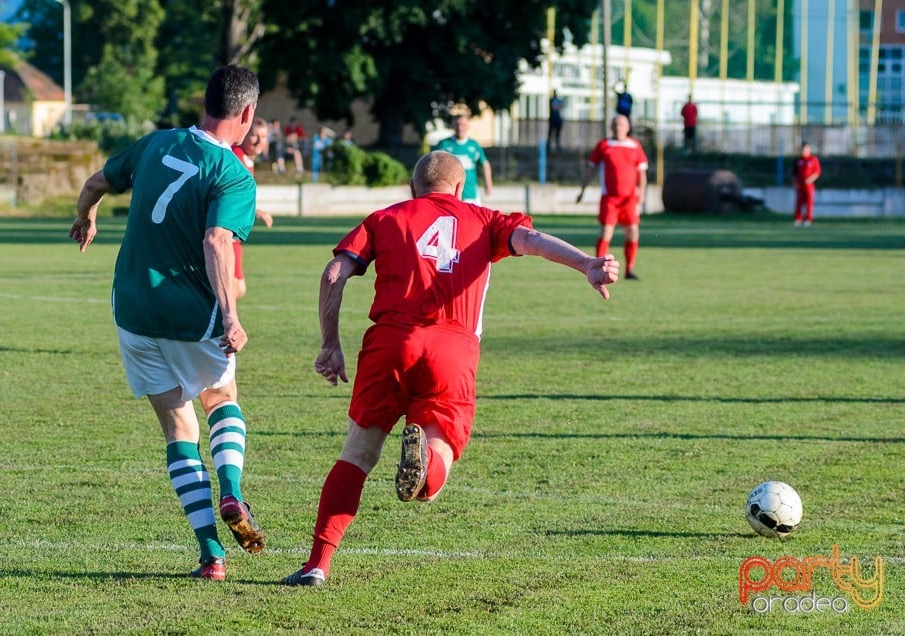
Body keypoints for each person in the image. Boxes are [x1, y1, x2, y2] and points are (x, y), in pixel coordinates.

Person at [280, 151, 620, 587]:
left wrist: (330, 344)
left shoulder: (385, 218)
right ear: (461, 188)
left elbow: (333, 274)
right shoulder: (484, 218)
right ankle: (425, 463)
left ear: (411, 186)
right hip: (452, 350)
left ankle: (317, 565)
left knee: (358, 455)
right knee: (433, 485)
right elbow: (532, 241)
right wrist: (587, 264)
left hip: (389, 344)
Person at [68, 64, 267, 582]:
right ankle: (233, 491)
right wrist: (231, 315)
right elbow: (217, 241)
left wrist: (86, 215)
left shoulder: (155, 144)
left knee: (177, 427)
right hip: (190, 315)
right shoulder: (232, 173)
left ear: (205, 102)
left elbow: (94, 183)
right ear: (246, 114)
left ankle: (211, 556)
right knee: (221, 399)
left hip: (132, 310)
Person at [577, 114, 648, 280]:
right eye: (615, 125)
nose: (618, 127)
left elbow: (642, 173)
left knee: (633, 233)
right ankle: (598, 268)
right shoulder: (604, 145)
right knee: (605, 233)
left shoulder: (635, 146)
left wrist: (642, 193)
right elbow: (590, 170)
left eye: (621, 125)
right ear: (611, 127)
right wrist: (582, 190)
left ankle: (629, 270)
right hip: (610, 199)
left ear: (628, 127)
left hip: (630, 199)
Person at [231, 118, 275, 299]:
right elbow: (230, 194)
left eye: (263, 136)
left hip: (234, 236)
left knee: (236, 289)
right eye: (254, 136)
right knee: (233, 288)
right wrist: (256, 211)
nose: (259, 141)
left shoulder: (248, 161)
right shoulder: (235, 156)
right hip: (226, 234)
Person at [431, 114, 493, 204]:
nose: (460, 127)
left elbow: (485, 164)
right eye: (457, 124)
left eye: (463, 125)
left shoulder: (474, 145)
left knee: (473, 218)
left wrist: (488, 183)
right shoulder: (444, 144)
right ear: (453, 125)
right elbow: (431, 164)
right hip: (449, 195)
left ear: (468, 126)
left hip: (470, 194)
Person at [793, 141, 821, 227]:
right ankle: (798, 219)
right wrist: (794, 183)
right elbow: (794, 173)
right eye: (802, 149)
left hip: (809, 186)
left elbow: (817, 172)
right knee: (799, 203)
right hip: (800, 185)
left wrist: (810, 179)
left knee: (809, 203)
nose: (804, 151)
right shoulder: (798, 160)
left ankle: (808, 219)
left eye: (806, 149)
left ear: (809, 149)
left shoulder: (813, 159)